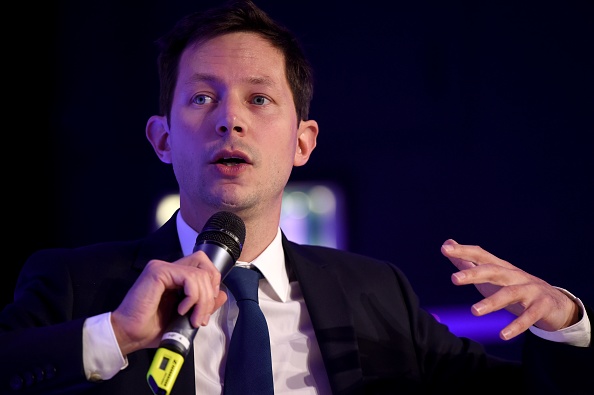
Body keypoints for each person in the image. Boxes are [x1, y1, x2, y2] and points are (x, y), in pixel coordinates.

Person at [1, 0, 592, 394]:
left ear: (303, 143)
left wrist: (565, 324)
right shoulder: (74, 285)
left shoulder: (378, 295)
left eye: (259, 99)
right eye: (202, 98)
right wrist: (117, 335)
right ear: (161, 138)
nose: (230, 119)